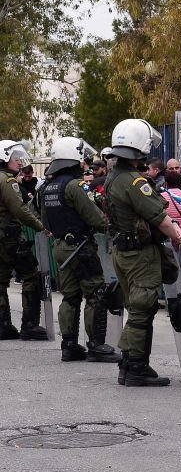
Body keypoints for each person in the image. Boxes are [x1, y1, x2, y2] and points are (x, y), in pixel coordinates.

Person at [105, 119, 181, 386]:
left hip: (123, 251)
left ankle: (131, 363)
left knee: (136, 306)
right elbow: (160, 217)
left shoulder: (114, 176)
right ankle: (135, 367)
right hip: (140, 255)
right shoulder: (135, 181)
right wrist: (177, 234)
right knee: (142, 308)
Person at [38, 137, 118, 363]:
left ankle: (69, 345)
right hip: (80, 248)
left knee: (70, 297)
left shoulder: (48, 187)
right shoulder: (75, 186)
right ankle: (95, 345)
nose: (85, 162)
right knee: (95, 294)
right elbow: (95, 218)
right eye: (81, 157)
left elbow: (46, 222)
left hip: (61, 248)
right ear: (72, 158)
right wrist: (114, 227)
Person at [0, 140, 48, 341]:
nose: (19, 162)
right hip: (9, 238)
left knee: (1, 280)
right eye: (15, 158)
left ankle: (3, 326)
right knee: (31, 275)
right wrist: (41, 226)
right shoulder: (8, 182)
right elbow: (20, 209)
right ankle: (30, 325)